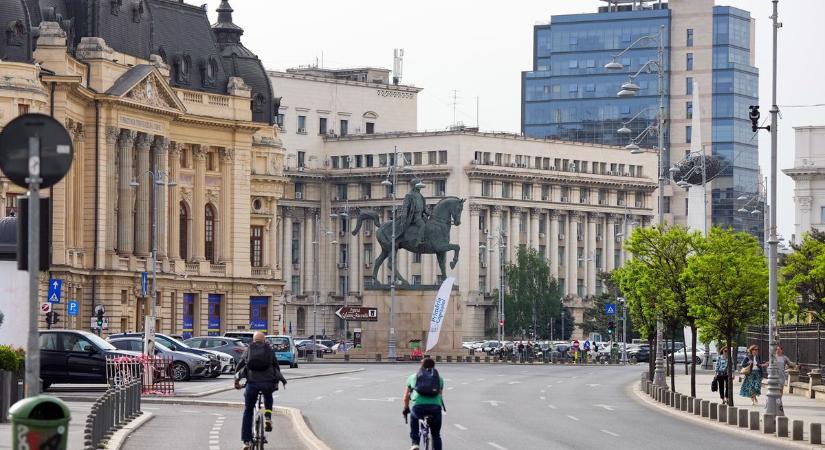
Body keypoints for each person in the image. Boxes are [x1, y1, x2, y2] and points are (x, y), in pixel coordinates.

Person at [235, 332, 287, 450]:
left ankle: (246, 442)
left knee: (248, 410)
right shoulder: (269, 350)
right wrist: (276, 382)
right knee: (268, 397)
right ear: (264, 341)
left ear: (253, 340)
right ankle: (268, 417)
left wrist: (236, 381)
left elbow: (240, 365)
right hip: (267, 383)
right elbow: (276, 367)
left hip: (252, 384)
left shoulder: (249, 349)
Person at [403, 357, 444, 450]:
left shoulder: (413, 377)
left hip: (418, 407)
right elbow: (440, 396)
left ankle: (415, 443)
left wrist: (406, 408)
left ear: (421, 365)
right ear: (434, 366)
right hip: (435, 408)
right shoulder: (439, 378)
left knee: (413, 417)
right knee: (436, 435)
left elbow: (406, 397)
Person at [398, 177, 428, 248]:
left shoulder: (420, 196)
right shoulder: (409, 195)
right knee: (423, 226)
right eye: (418, 186)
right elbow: (405, 208)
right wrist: (403, 220)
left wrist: (432, 214)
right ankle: (419, 241)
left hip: (422, 215)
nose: (420, 188)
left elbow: (425, 209)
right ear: (414, 186)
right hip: (414, 217)